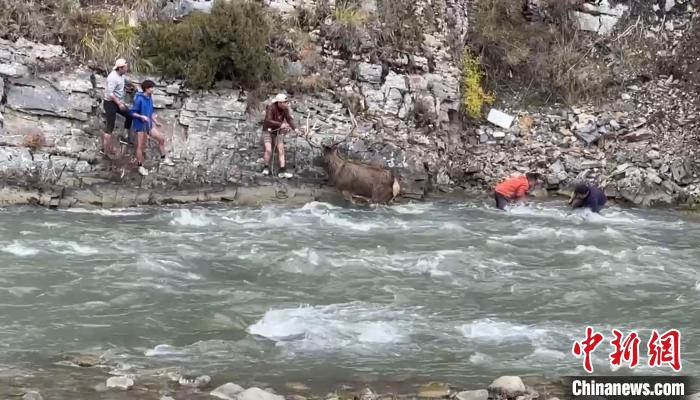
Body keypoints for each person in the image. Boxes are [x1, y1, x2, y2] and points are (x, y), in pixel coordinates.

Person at [129, 79, 174, 176]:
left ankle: (164, 158)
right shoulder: (139, 99)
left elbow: (151, 112)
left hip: (148, 125)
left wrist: (156, 122)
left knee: (161, 138)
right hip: (140, 126)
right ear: (146, 89)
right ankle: (140, 167)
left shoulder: (149, 97)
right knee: (141, 146)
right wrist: (142, 116)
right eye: (151, 88)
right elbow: (132, 112)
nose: (153, 89)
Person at [102, 58, 134, 157]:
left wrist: (127, 88)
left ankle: (124, 135)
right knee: (109, 128)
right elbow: (110, 93)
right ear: (120, 68)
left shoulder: (121, 75)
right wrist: (119, 104)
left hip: (117, 102)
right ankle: (105, 151)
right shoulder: (112, 77)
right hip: (110, 103)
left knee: (130, 115)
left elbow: (121, 85)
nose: (127, 68)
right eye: (125, 67)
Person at [262, 93, 296, 178]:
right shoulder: (271, 107)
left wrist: (295, 128)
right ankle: (266, 168)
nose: (286, 104)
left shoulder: (285, 109)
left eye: (286, 102)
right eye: (285, 102)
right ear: (279, 103)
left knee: (281, 150)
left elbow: (289, 119)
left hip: (279, 132)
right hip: (268, 131)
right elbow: (268, 120)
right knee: (268, 149)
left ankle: (282, 171)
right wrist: (280, 124)